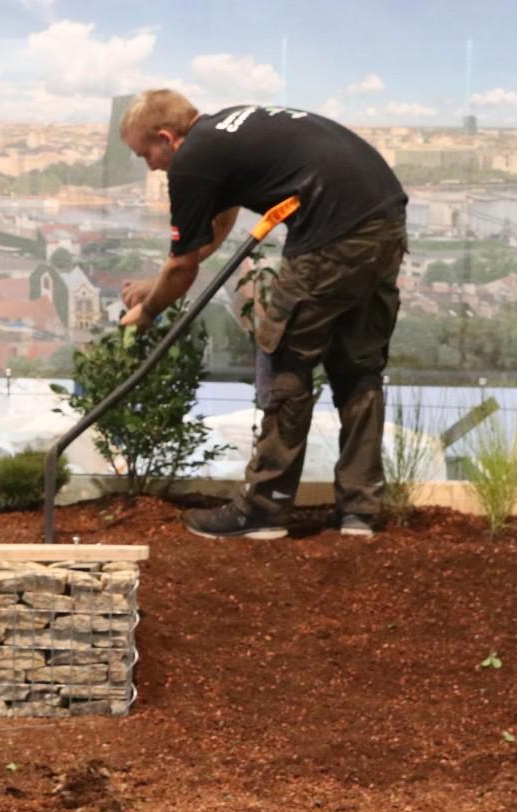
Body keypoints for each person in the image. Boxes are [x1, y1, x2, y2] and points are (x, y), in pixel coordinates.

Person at [119, 89, 408, 539]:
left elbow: (183, 265)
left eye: (146, 154)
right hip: (385, 219)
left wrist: (149, 311)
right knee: (358, 366)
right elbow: (217, 222)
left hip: (332, 234)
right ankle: (360, 511)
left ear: (166, 137)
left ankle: (263, 510)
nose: (150, 166)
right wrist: (155, 284)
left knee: (286, 362)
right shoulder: (226, 128)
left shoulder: (192, 158)